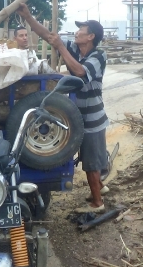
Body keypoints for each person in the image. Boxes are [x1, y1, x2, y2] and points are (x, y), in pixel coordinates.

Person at [17, 3, 110, 213]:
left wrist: (60, 47)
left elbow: (79, 72)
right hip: (78, 113)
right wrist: (29, 17)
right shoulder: (75, 48)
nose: (77, 33)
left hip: (93, 116)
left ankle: (97, 203)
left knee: (92, 161)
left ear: (91, 37)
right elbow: (47, 35)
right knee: (88, 154)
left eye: (81, 31)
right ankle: (101, 188)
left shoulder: (98, 56)